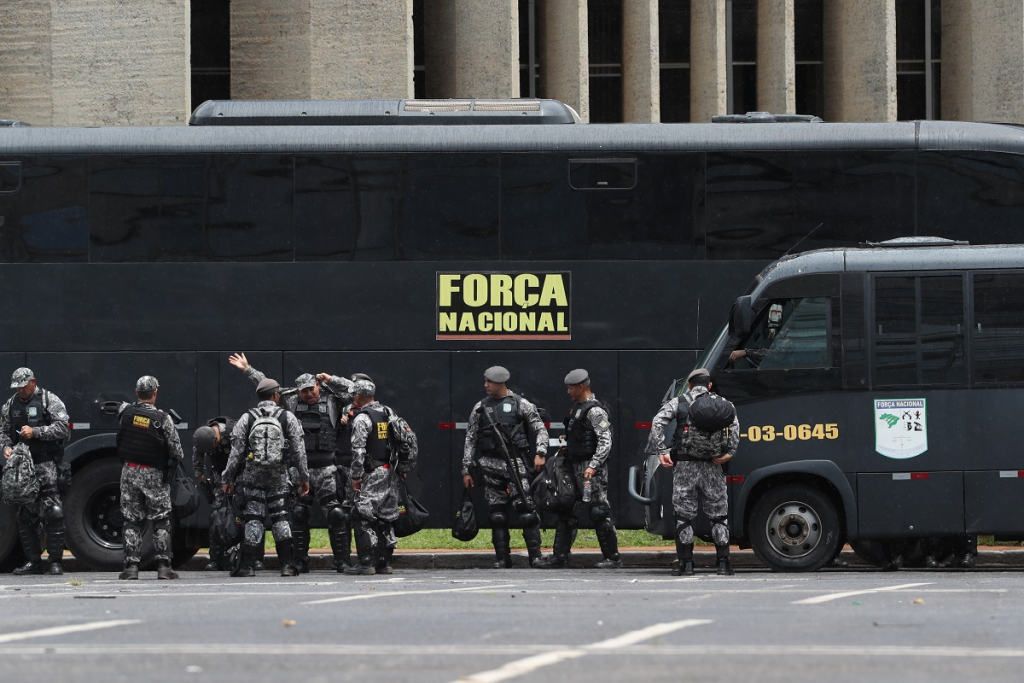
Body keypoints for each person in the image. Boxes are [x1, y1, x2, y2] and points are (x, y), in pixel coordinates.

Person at [229, 353, 354, 572]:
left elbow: (357, 390)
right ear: (298, 391)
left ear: (317, 385)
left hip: (327, 468)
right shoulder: (291, 400)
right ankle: (298, 560)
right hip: (298, 470)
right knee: (297, 513)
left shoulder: (332, 398)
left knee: (336, 514)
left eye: (312, 389)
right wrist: (248, 370)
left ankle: (342, 560)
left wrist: (331, 379)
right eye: (304, 391)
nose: (309, 394)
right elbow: (267, 388)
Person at [649, 368, 738, 576]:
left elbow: (657, 422)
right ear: (709, 385)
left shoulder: (679, 402)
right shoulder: (724, 403)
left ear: (689, 384)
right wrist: (730, 453)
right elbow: (734, 427)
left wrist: (662, 451)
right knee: (719, 515)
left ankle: (686, 565)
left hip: (685, 467)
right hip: (713, 465)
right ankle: (724, 563)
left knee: (684, 516)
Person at [222, 378, 310, 577]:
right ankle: (287, 565)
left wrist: (227, 479)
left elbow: (235, 453)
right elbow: (298, 451)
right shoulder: (287, 417)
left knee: (253, 518)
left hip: (253, 476)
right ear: (276, 395)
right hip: (279, 476)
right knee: (280, 518)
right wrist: (304, 477)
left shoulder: (247, 418)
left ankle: (247, 566)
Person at [462, 366, 547, 568]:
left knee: (526, 512)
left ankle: (535, 556)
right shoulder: (480, 407)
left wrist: (540, 452)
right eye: (485, 381)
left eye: (489, 382)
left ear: (501, 382)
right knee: (497, 515)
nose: (486, 385)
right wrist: (466, 468)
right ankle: (502, 558)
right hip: (490, 465)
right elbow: (471, 439)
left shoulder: (521, 404)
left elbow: (540, 428)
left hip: (515, 464)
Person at [536, 369, 620, 569]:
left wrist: (593, 465)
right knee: (567, 512)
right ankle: (560, 557)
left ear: (581, 387)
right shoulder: (578, 408)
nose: (568, 392)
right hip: (573, 467)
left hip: (590, 470)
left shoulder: (595, 411)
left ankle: (613, 557)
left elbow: (606, 441)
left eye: (571, 388)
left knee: (599, 511)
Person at [0, 367, 70, 575]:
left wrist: (37, 432)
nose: (20, 391)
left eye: (23, 386)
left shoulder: (49, 400)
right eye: (17, 388)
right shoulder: (10, 405)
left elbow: (63, 428)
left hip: (45, 463)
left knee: (54, 513)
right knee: (24, 515)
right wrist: (6, 447)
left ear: (33, 382)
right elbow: (3, 432)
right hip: (22, 468)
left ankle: (55, 561)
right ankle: (33, 561)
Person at [116, 376, 183, 580]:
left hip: (129, 472)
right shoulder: (163, 420)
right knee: (161, 519)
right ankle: (164, 567)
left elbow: (127, 413)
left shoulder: (125, 413)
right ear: (155, 393)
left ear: (136, 392)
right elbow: (177, 452)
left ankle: (131, 568)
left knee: (131, 520)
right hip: (154, 473)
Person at [344, 379, 404, 575]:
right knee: (386, 516)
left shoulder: (362, 418)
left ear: (360, 396)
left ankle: (366, 562)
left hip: (372, 472)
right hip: (390, 471)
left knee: (362, 515)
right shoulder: (388, 413)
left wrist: (355, 476)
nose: (354, 397)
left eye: (355, 394)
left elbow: (358, 450)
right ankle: (385, 562)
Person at [193, 417, 237, 571]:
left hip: (238, 475)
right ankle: (215, 558)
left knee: (244, 514)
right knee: (216, 516)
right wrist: (200, 476)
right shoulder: (203, 436)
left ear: (217, 438)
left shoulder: (233, 433)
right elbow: (197, 456)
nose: (211, 452)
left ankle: (245, 556)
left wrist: (233, 482)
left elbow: (242, 458)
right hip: (219, 475)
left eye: (213, 448)